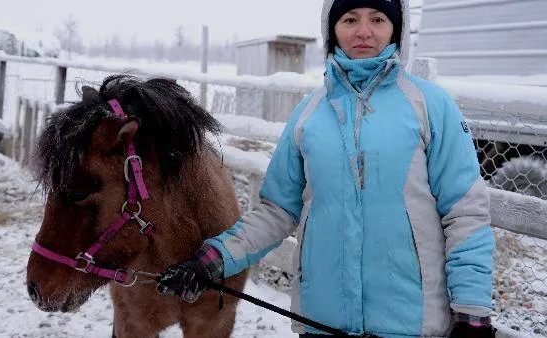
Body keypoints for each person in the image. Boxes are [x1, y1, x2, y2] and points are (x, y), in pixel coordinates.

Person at [156, 0, 497, 337]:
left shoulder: (432, 106)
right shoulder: (310, 113)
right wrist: (212, 260)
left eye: (377, 19)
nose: (364, 31)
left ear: (396, 28)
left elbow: (465, 211)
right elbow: (276, 210)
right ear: (332, 30)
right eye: (350, 19)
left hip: (411, 325)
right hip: (323, 321)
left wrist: (472, 313)